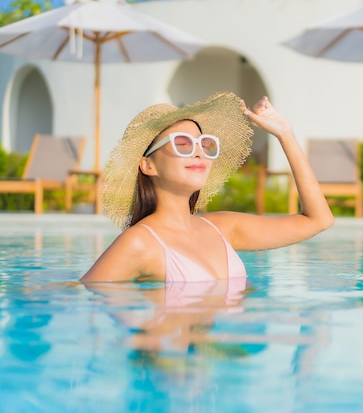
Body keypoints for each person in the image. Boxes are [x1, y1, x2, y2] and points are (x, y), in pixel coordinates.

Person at [81, 92, 334, 283]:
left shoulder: (224, 228)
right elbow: (84, 296)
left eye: (205, 144)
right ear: (148, 165)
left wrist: (285, 134)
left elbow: (319, 220)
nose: (199, 152)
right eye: (182, 143)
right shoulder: (138, 243)